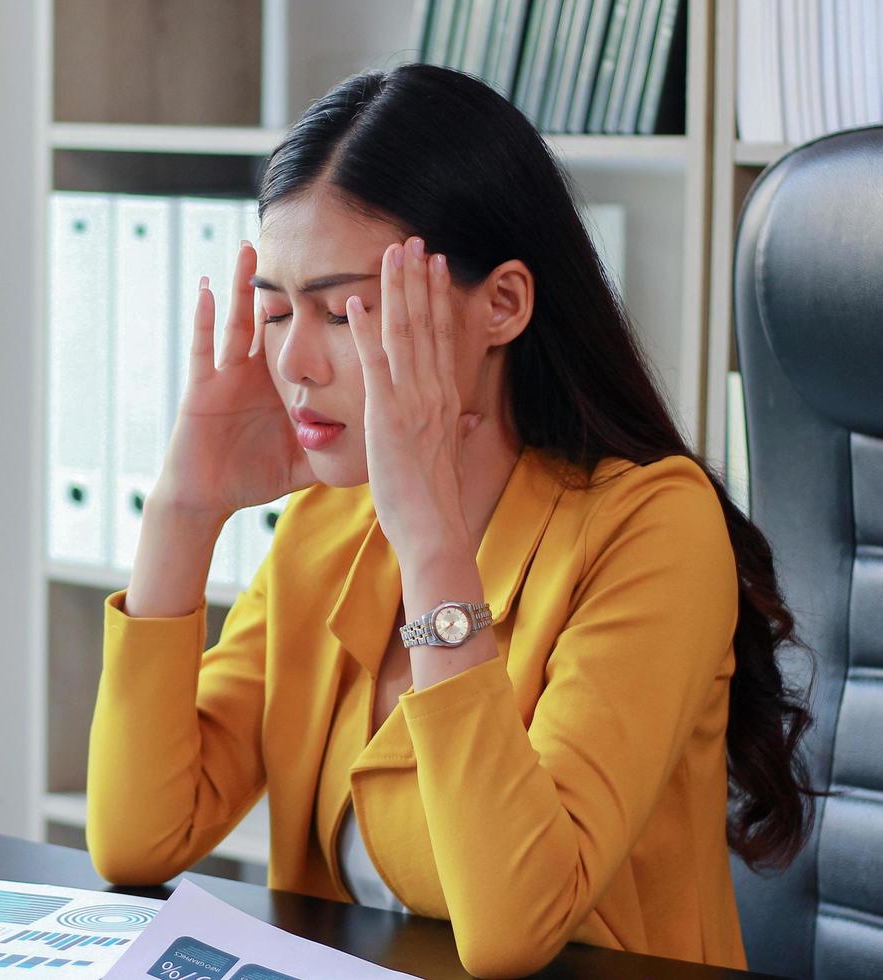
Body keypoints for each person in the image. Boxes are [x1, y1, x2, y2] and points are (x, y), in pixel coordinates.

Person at [84, 64, 819, 979]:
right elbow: (136, 839)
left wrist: (429, 540)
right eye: (274, 312)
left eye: (343, 312)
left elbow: (513, 926)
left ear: (502, 303)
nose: (295, 362)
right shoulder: (326, 524)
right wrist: (184, 514)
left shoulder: (652, 527)